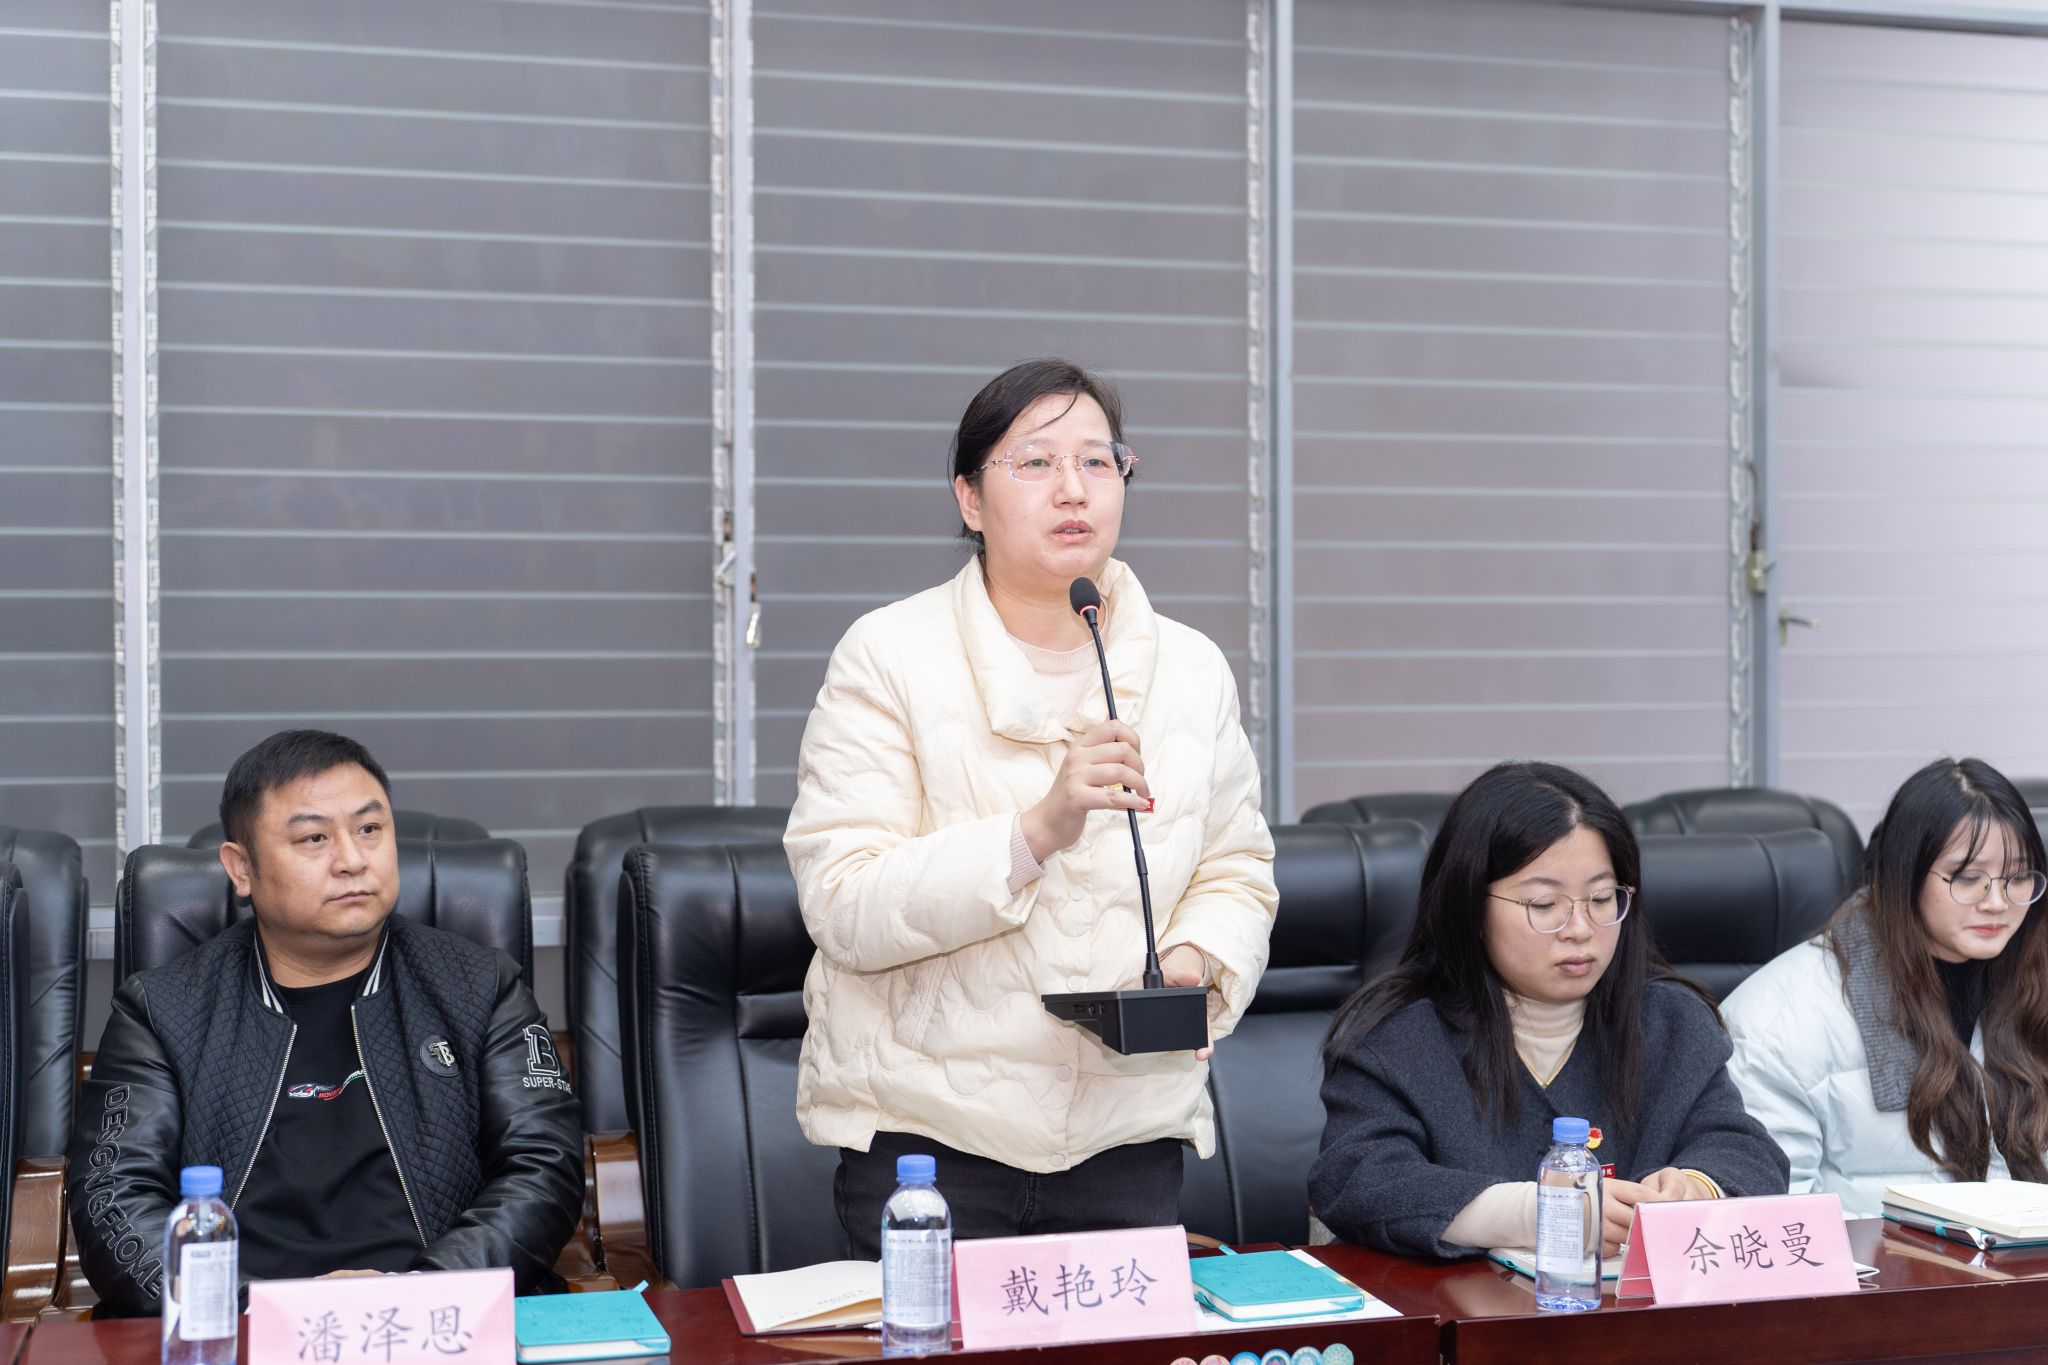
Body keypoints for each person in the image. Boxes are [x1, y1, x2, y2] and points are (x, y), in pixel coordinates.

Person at [785, 358, 1277, 1256]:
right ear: (970, 499)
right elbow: (844, 901)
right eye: (1037, 462)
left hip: (1128, 1138)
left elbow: (1237, 867)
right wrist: (1035, 832)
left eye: (1097, 461)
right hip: (930, 1151)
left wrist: (1195, 959)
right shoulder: (888, 657)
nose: (1073, 488)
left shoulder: (1191, 669)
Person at [70, 730, 582, 1315]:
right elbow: (114, 1197)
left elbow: (542, 1168)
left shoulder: (481, 986)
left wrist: (418, 1295)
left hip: (439, 1324)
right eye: (314, 837)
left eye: (370, 829)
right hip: (243, 1331)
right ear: (242, 868)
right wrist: (261, 1312)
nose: (353, 860)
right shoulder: (161, 1010)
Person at [1310, 761, 1787, 1259]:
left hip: (1627, 1304)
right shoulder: (1397, 1037)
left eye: (1601, 898)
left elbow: (1746, 1151)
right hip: (1455, 1305)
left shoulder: (1672, 1021)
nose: (1580, 929)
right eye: (1543, 905)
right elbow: (1358, 1181)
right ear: (1470, 908)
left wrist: (1696, 1187)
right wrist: (1537, 1212)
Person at [1723, 758, 2048, 1216]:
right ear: (1905, 875)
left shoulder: (2031, 984)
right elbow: (1774, 1224)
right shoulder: (1778, 1023)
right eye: (1968, 878)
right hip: (1877, 1265)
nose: (1997, 902)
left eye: (2018, 878)